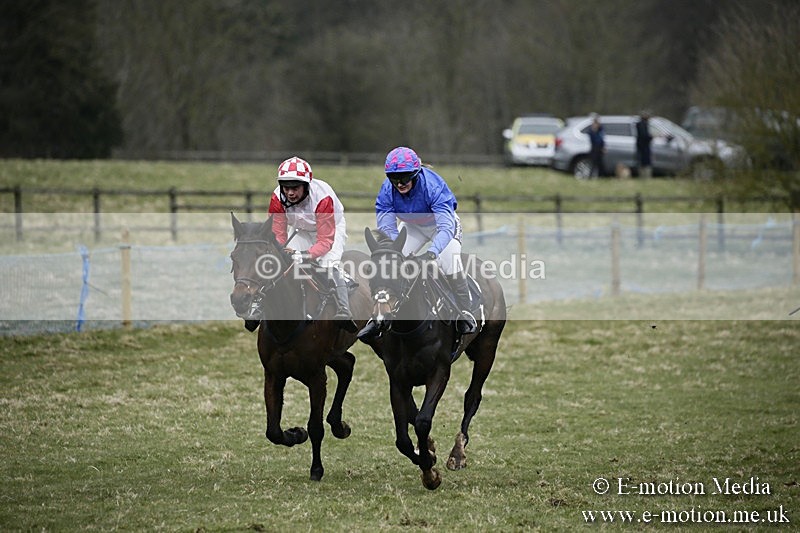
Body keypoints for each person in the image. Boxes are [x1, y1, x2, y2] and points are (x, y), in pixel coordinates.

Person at [359, 146, 479, 339]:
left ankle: (465, 312)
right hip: (413, 227)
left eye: (405, 177)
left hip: (442, 227)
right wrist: (393, 251)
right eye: (394, 178)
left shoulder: (433, 187)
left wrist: (431, 253)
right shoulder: (387, 191)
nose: (399, 183)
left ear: (416, 173)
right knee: (390, 262)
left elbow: (446, 227)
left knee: (448, 262)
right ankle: (380, 315)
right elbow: (387, 227)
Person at [263, 156, 357, 333]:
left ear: (306, 185)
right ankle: (262, 308)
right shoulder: (277, 197)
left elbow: (325, 241)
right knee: (281, 264)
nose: (290, 193)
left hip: (330, 230)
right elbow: (278, 235)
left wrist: (303, 255)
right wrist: (282, 252)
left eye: (295, 188)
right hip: (301, 230)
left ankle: (344, 310)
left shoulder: (322, 197)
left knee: (328, 265)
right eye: (286, 187)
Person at [636, 110, 653, 178]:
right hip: (643, 146)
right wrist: (651, 137)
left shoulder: (642, 124)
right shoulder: (642, 124)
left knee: (643, 162)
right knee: (644, 162)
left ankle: (644, 176)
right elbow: (644, 136)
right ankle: (645, 176)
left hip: (642, 146)